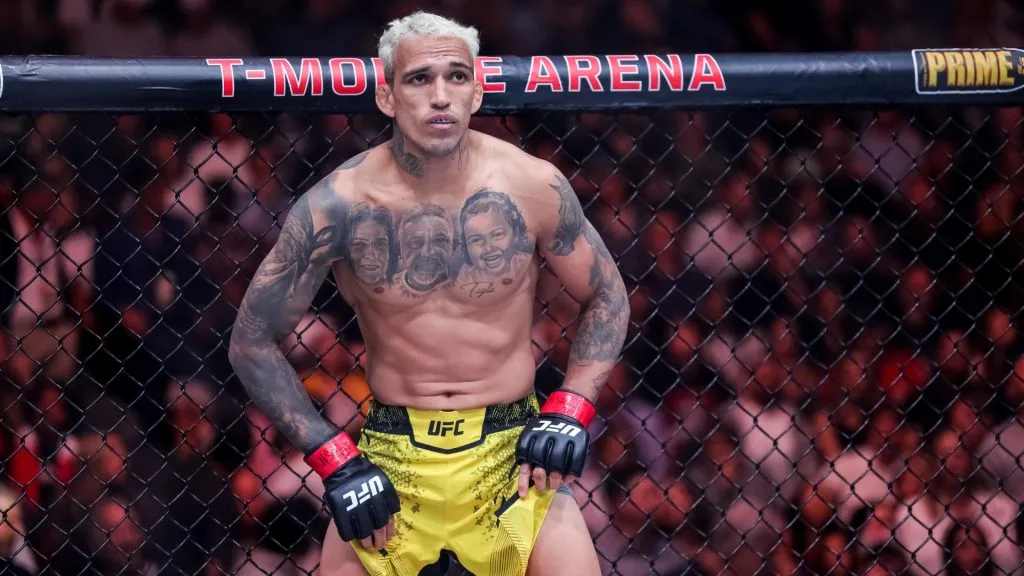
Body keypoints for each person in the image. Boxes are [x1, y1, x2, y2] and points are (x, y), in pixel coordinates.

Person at [227, 10, 628, 576]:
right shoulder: (337, 205)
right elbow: (251, 341)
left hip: (513, 457)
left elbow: (607, 295)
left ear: (478, 91)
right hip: (394, 458)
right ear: (388, 96)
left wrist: (571, 406)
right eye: (419, 79)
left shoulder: (532, 185)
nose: (441, 96)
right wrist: (335, 459)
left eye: (456, 77)